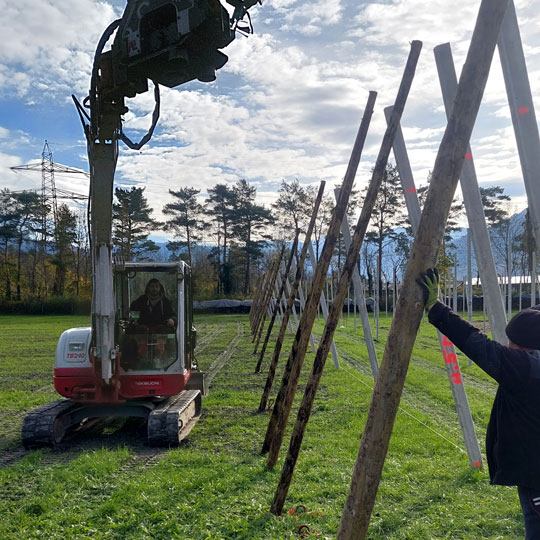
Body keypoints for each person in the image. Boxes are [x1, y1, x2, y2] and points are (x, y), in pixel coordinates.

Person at [418, 268, 540, 539]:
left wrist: (436, 309)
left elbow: (476, 344)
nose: (508, 346)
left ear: (523, 347)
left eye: (512, 343)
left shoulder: (525, 368)